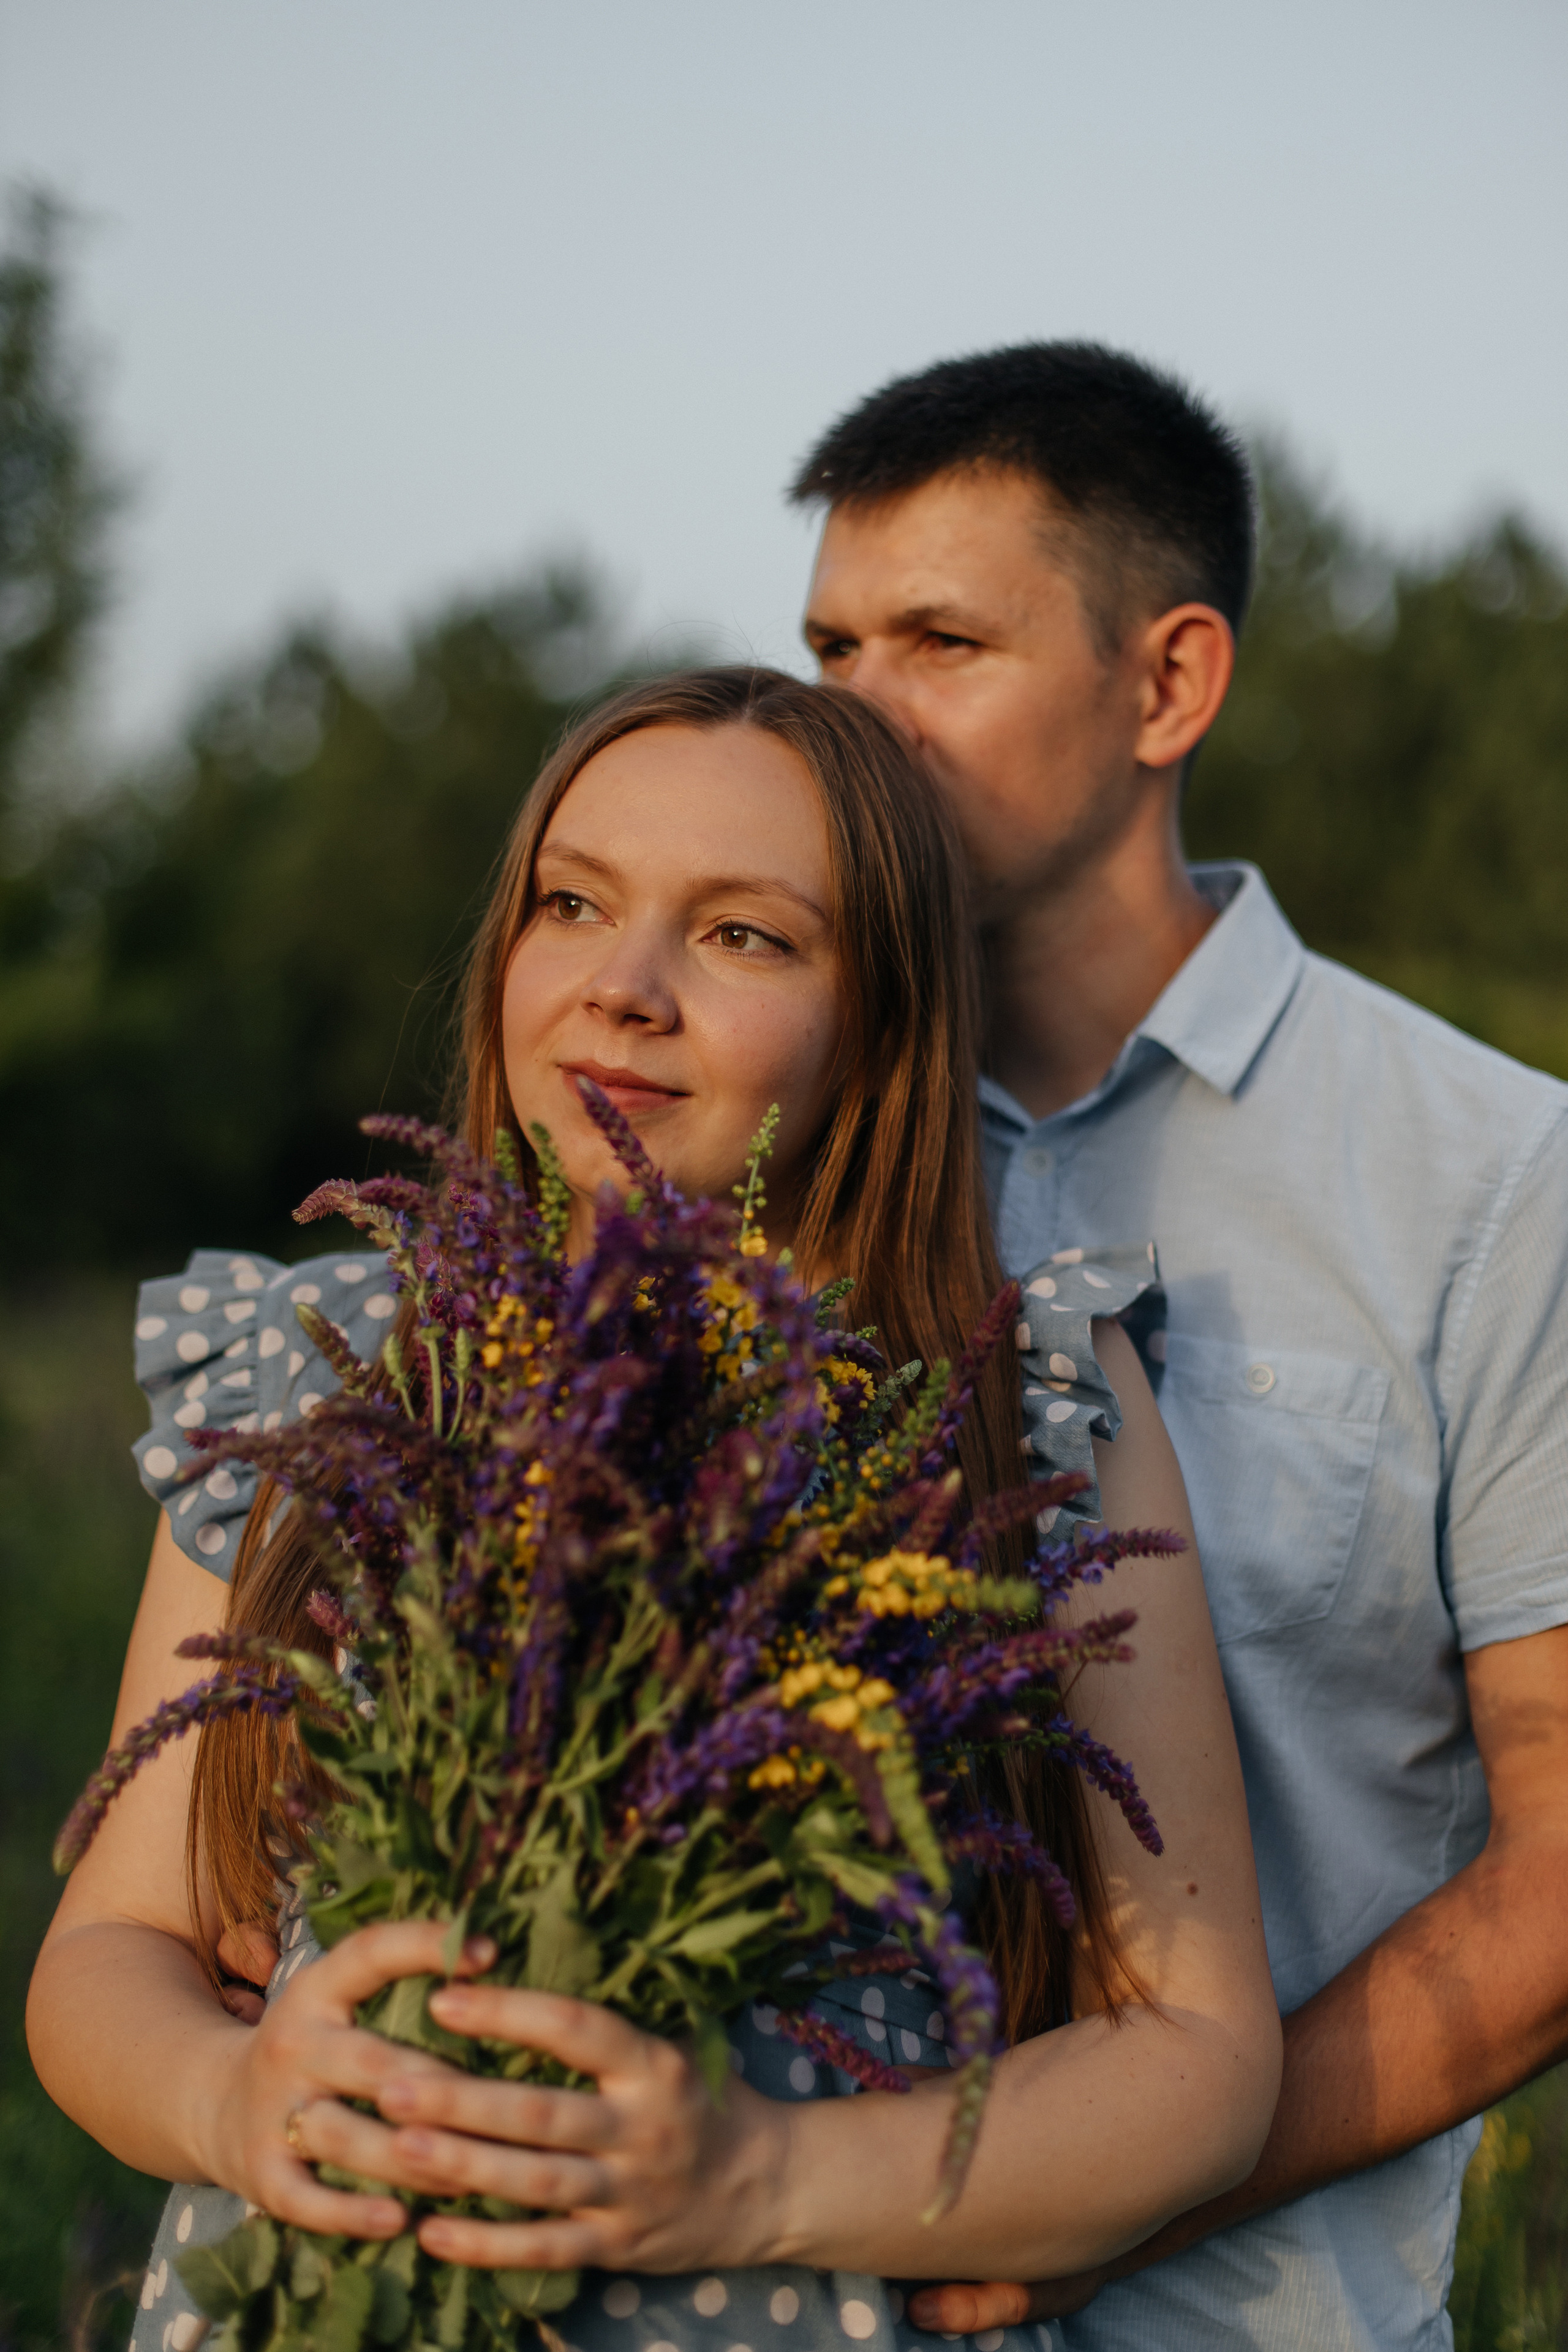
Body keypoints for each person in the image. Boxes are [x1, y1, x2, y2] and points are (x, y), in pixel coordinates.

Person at [27, 669, 1281, 2352]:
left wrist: (751, 2179)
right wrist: (232, 2095)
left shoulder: (1018, 1396)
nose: (622, 991)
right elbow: (112, 1948)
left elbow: (1194, 2056)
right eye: (572, 904)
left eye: (745, 936)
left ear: (882, 1020)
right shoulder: (326, 1374)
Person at [788, 342, 1568, 2351]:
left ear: (1170, 683)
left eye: (938, 642)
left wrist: (1085, 2212)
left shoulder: (1492, 1177)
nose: (852, 720)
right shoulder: (741, 1134)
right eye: (830, 648)